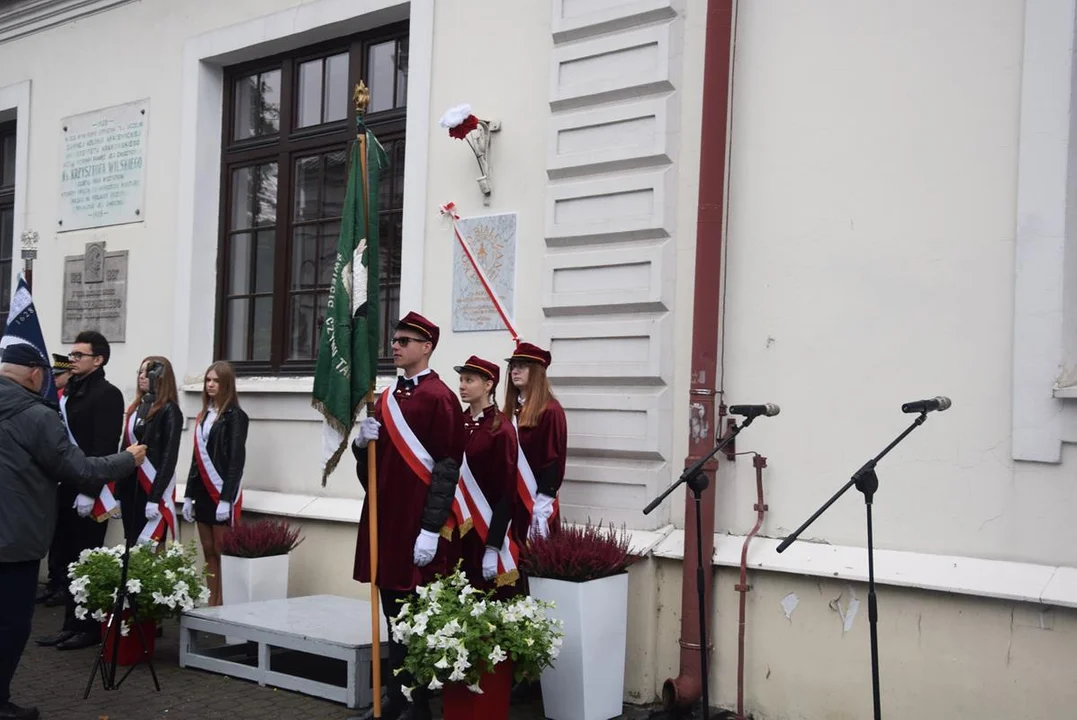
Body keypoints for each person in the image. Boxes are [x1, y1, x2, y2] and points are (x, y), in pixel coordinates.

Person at [0, 343, 146, 720]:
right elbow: (78, 468)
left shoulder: (101, 394)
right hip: (13, 538)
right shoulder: (34, 414)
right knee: (10, 625)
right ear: (35, 374)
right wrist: (127, 460)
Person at [351, 312, 464, 720]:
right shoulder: (384, 399)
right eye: (395, 339)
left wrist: (431, 530)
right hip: (386, 520)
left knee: (415, 618)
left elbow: (447, 468)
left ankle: (417, 704)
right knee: (391, 613)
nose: (394, 346)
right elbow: (371, 474)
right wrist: (361, 446)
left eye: (404, 340)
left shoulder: (441, 398)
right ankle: (394, 699)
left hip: (416, 524)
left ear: (426, 346)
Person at [36, 332, 126, 652]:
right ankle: (69, 625)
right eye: (71, 355)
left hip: (88, 491)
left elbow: (103, 447)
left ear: (98, 360)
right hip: (64, 487)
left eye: (78, 355)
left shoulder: (107, 394)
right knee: (65, 558)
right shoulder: (71, 391)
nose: (71, 360)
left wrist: (90, 490)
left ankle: (87, 627)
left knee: (85, 561)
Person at [183, 361, 248, 606]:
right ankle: (212, 601)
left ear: (226, 384)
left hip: (220, 491)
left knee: (222, 551)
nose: (210, 385)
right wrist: (189, 495)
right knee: (208, 549)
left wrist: (226, 498)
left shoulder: (236, 417)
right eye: (208, 380)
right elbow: (196, 459)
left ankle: (224, 602)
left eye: (215, 381)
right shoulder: (203, 416)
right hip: (202, 490)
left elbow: (235, 460)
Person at [455, 355, 521, 597]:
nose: (462, 385)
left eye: (469, 380)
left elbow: (506, 492)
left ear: (488, 385)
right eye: (461, 379)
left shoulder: (501, 429)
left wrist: (493, 546)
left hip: (486, 527)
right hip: (458, 527)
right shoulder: (456, 423)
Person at [502, 342, 568, 543]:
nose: (515, 371)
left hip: (534, 501)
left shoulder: (550, 411)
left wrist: (543, 504)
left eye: (522, 366)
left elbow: (554, 461)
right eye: (513, 366)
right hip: (509, 501)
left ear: (537, 371)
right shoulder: (510, 411)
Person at [117, 356, 182, 548]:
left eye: (148, 372)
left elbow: (169, 456)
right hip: (131, 486)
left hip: (151, 488)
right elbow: (125, 448)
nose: (142, 377)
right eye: (140, 372)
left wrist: (155, 498)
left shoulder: (170, 410)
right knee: (131, 542)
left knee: (151, 546)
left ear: (161, 377)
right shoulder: (136, 407)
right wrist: (118, 492)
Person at [36, 354, 75, 608]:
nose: (54, 380)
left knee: (66, 537)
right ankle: (53, 582)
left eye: (58, 375)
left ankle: (62, 584)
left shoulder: (69, 399)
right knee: (54, 535)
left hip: (69, 474)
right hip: (53, 478)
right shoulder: (51, 400)